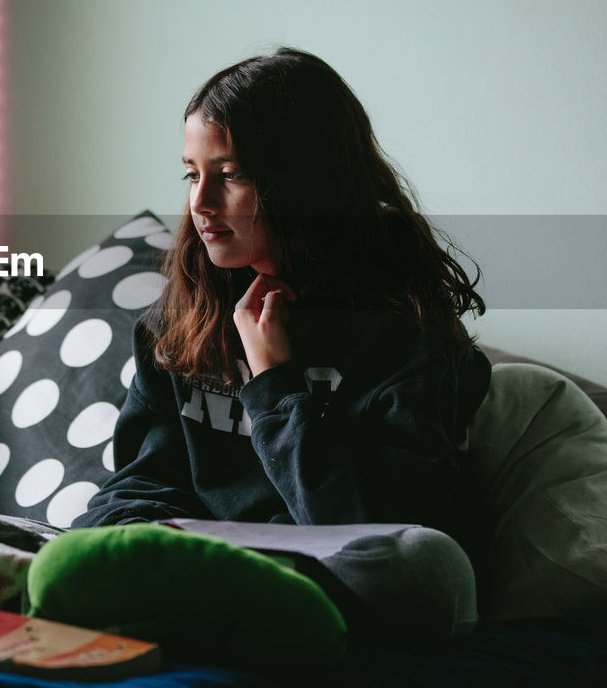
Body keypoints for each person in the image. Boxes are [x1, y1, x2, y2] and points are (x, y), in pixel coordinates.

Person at [72, 48, 491, 574]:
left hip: (327, 582)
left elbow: (375, 537)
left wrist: (274, 382)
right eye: (191, 174)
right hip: (200, 571)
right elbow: (144, 482)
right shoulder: (181, 325)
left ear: (305, 184)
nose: (201, 202)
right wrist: (119, 543)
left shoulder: (405, 344)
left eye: (231, 174)